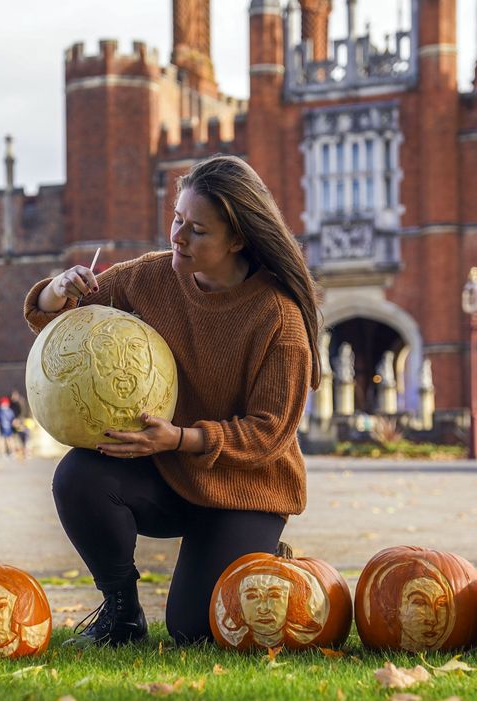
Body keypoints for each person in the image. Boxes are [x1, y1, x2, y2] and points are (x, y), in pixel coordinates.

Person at [23, 154, 321, 646]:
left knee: (195, 632)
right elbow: (67, 323)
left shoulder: (279, 319)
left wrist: (180, 437)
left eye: (197, 231)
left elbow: (269, 433)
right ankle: (121, 613)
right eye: (176, 220)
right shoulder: (152, 276)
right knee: (79, 477)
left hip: (246, 487)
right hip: (171, 476)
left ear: (238, 239)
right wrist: (58, 291)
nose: (178, 237)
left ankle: (259, 550)